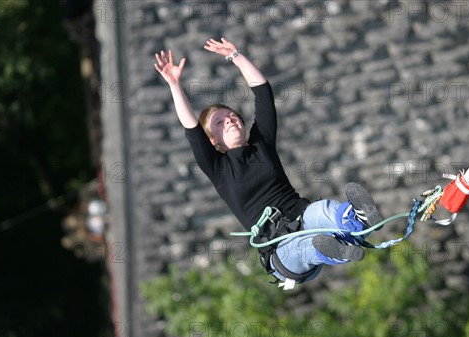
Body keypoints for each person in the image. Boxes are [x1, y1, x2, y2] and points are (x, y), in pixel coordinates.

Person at [154, 38, 384, 287]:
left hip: (303, 218)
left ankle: (357, 221)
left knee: (323, 209)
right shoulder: (218, 169)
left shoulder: (262, 145)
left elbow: (263, 93)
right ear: (213, 142)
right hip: (280, 252)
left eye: (232, 116)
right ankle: (334, 250)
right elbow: (191, 128)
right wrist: (174, 84)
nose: (230, 120)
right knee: (306, 245)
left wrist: (236, 56)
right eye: (220, 123)